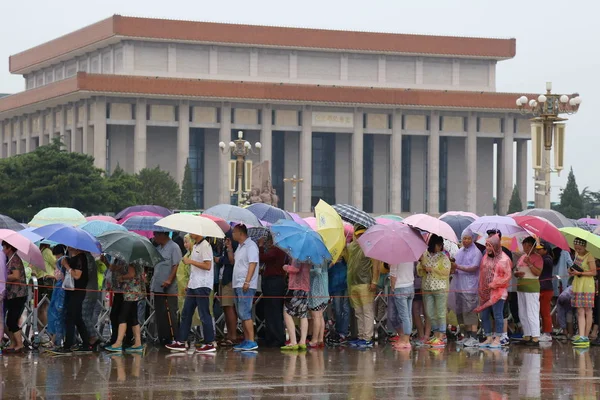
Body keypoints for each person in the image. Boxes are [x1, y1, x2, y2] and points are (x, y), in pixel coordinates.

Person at [166, 233, 217, 353]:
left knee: (204, 313)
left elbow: (207, 265)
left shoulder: (205, 245)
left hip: (202, 285)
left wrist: (190, 261)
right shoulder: (195, 247)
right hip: (193, 285)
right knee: (186, 312)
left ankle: (209, 342)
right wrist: (189, 282)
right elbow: (194, 269)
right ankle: (182, 341)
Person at [49, 247, 92, 355]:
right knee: (77, 318)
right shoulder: (73, 258)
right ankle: (86, 343)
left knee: (70, 317)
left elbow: (77, 275)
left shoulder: (80, 258)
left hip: (77, 292)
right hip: (71, 291)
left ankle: (68, 345)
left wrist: (67, 266)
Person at [475, 234, 512, 348]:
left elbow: (507, 276)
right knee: (484, 315)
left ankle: (498, 338)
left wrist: (495, 284)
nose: (488, 248)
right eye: (486, 246)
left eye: (490, 246)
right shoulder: (485, 257)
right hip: (485, 292)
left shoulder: (504, 259)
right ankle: (488, 337)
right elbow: (482, 272)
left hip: (498, 293)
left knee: (498, 315)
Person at [347, 225, 380, 349]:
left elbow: (376, 265)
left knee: (367, 311)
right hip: (353, 283)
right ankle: (361, 336)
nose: (359, 236)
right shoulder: (352, 247)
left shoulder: (371, 246)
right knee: (358, 312)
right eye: (358, 234)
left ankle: (367, 338)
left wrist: (374, 282)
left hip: (365, 283)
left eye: (362, 234)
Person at [229, 224, 260, 352]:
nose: (232, 234)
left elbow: (252, 263)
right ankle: (246, 340)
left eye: (234, 232)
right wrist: (229, 248)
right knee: (241, 313)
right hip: (237, 283)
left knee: (245, 312)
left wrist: (247, 281)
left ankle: (252, 341)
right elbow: (233, 262)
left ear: (241, 233)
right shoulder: (240, 247)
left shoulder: (251, 246)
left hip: (245, 284)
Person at [417, 234, 451, 348]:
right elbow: (419, 271)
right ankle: (435, 334)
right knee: (430, 313)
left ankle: (441, 335)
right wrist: (422, 265)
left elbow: (446, 272)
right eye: (438, 245)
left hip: (440, 288)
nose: (440, 247)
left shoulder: (444, 256)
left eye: (441, 245)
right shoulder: (425, 255)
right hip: (427, 287)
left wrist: (432, 269)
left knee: (441, 312)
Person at [452, 228, 482, 347]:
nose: (466, 240)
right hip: (459, 286)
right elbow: (455, 266)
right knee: (461, 312)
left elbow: (474, 267)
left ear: (473, 239)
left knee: (470, 311)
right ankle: (467, 335)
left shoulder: (476, 252)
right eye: (464, 238)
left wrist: (458, 267)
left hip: (470, 287)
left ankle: (474, 336)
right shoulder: (459, 252)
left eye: (468, 238)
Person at [105, 262, 144, 353]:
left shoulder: (131, 260)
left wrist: (121, 278)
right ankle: (138, 343)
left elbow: (131, 274)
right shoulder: (137, 260)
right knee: (134, 318)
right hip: (135, 292)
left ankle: (118, 343)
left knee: (122, 317)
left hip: (130, 292)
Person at [152, 231, 182, 345]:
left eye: (156, 235)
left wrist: (169, 279)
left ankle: (174, 337)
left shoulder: (174, 247)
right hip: (158, 286)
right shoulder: (159, 248)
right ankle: (162, 337)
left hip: (169, 287)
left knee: (171, 312)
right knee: (160, 313)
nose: (154, 237)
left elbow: (176, 265)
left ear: (162, 235)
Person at [258, 234, 287, 348]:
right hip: (271, 280)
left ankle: (277, 337)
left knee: (274, 310)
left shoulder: (277, 250)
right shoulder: (278, 250)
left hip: (274, 282)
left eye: (269, 241)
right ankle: (271, 335)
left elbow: (263, 257)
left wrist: (260, 247)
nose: (267, 243)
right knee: (269, 310)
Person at [514, 236, 543, 346]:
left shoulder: (538, 258)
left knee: (532, 311)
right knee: (523, 312)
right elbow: (516, 270)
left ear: (532, 246)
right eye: (524, 245)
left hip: (531, 288)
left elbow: (538, 273)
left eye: (527, 246)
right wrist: (517, 274)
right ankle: (527, 335)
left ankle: (535, 336)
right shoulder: (522, 257)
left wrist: (530, 263)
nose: (525, 248)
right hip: (521, 287)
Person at [570, 237, 596, 347]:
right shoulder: (576, 255)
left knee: (588, 310)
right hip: (577, 284)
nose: (578, 250)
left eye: (579, 248)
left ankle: (585, 336)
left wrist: (580, 273)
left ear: (584, 246)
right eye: (576, 248)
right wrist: (572, 271)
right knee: (580, 310)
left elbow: (593, 272)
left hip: (587, 285)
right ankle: (581, 336)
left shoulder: (589, 256)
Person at [3, 241, 27, 353]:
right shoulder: (9, 259)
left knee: (12, 320)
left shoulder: (15, 259)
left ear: (9, 248)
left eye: (4, 247)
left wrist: (4, 276)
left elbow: (16, 276)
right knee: (8, 321)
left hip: (18, 294)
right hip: (11, 294)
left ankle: (20, 344)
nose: (3, 249)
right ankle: (13, 343)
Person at [281, 260, 310, 351]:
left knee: (286, 311)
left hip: (295, 287)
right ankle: (302, 341)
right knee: (303, 314)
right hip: (305, 287)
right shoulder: (308, 256)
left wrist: (286, 267)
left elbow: (296, 269)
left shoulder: (298, 255)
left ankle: (293, 341)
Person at [217, 230, 239, 347]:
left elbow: (232, 260)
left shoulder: (232, 240)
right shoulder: (225, 240)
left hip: (229, 279)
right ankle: (229, 334)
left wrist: (219, 259)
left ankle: (233, 336)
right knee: (225, 308)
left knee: (229, 307)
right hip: (223, 277)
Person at [388, 262, 414, 349]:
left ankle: (405, 340)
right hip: (410, 286)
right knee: (408, 315)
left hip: (400, 288)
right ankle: (406, 339)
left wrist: (392, 288)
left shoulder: (395, 257)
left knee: (404, 316)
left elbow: (393, 275)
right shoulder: (410, 256)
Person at [176, 235, 201, 327]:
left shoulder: (195, 255)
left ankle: (198, 333)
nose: (185, 244)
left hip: (193, 287)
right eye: (184, 242)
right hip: (185, 288)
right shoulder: (187, 255)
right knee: (187, 311)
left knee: (197, 312)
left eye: (187, 242)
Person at [327, 253, 350, 346]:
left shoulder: (346, 257)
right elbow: (326, 271)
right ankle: (338, 331)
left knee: (346, 308)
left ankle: (343, 332)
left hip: (347, 285)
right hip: (335, 286)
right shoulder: (330, 257)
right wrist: (333, 263)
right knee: (337, 309)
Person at [46, 245, 67, 348]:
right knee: (56, 315)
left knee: (57, 315)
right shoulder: (63, 260)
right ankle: (55, 340)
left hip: (60, 291)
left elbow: (61, 277)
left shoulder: (62, 261)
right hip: (59, 289)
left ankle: (55, 341)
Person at [308, 261, 329, 348]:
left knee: (316, 316)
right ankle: (320, 339)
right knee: (320, 316)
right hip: (323, 289)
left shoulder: (317, 257)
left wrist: (307, 271)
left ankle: (314, 340)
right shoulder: (323, 256)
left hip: (317, 290)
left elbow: (317, 271)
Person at [37, 242, 56, 339]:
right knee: (45, 307)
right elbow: (56, 264)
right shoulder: (47, 251)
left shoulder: (39, 252)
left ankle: (42, 331)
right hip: (47, 281)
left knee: (41, 308)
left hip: (41, 281)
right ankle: (46, 331)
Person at [537, 241, 554, 342]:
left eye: (540, 249)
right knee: (540, 312)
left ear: (546, 250)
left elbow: (545, 263)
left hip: (546, 289)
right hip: (540, 288)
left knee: (545, 312)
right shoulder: (541, 258)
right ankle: (542, 331)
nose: (538, 251)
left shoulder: (548, 259)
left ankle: (547, 333)